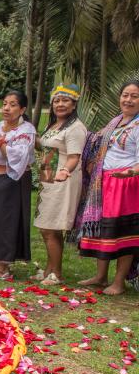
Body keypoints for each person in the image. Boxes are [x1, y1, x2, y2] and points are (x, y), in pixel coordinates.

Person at [76, 80, 139, 295]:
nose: (128, 100)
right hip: (103, 182)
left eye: (134, 96)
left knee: (123, 232)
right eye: (125, 95)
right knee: (104, 229)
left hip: (126, 183)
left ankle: (119, 282)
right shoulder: (116, 122)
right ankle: (100, 276)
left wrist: (130, 172)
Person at [33, 84, 88, 285]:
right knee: (47, 227)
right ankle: (49, 270)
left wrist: (65, 171)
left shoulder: (75, 128)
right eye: (56, 100)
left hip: (62, 182)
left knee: (51, 228)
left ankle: (56, 273)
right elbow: (47, 147)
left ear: (74, 105)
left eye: (65, 101)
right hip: (48, 179)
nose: (60, 104)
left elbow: (74, 156)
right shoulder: (54, 125)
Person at [0, 91, 36, 279]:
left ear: (22, 109)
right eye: (5, 103)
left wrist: (3, 147)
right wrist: (0, 147)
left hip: (10, 182)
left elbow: (18, 157)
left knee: (6, 222)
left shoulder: (26, 130)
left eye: (13, 105)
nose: (7, 108)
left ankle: (2, 268)